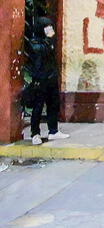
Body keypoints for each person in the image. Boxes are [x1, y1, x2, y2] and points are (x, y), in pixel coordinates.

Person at [28, 17, 70, 145]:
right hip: (40, 79)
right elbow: (41, 52)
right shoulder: (35, 42)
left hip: (51, 77)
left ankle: (53, 130)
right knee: (38, 107)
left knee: (53, 105)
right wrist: (49, 40)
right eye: (47, 28)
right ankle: (35, 133)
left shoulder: (49, 41)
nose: (50, 30)